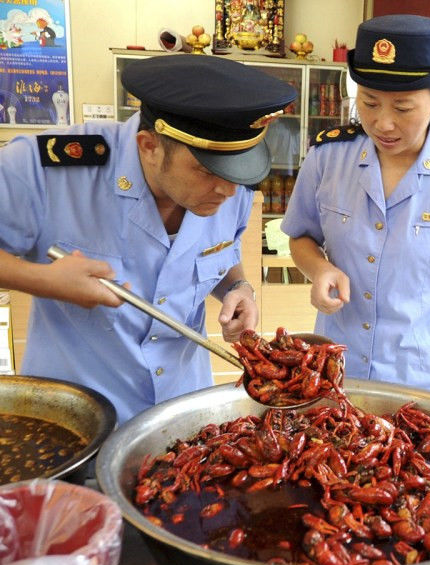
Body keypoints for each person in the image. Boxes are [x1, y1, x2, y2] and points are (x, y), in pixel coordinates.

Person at [0, 54, 296, 424]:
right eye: (206, 171)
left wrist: (239, 288)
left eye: (238, 171)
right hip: (76, 420)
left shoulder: (230, 187)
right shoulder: (50, 169)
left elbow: (218, 251)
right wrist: (43, 280)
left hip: (185, 416)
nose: (228, 191)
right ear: (149, 145)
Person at [281, 14, 430, 406]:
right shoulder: (327, 158)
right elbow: (300, 236)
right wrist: (319, 269)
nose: (382, 123)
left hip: (426, 385)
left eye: (402, 108)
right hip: (339, 377)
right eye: (368, 103)